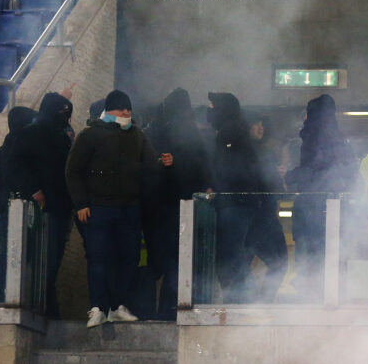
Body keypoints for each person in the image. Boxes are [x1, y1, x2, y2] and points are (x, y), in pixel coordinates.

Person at [65, 90, 173, 328]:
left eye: (128, 109)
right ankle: (98, 307)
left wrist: (161, 163)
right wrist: (81, 204)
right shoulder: (90, 135)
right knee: (99, 258)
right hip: (98, 208)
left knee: (128, 258)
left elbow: (149, 165)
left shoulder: (137, 136)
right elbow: (73, 171)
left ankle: (118, 306)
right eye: (121, 108)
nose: (126, 113)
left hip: (129, 208)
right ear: (109, 110)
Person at [6, 93, 75, 319]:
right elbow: (15, 167)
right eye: (62, 112)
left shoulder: (63, 138)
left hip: (61, 209)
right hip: (40, 212)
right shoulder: (30, 134)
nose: (65, 117)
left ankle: (47, 307)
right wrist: (34, 190)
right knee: (43, 263)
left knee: (52, 264)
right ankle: (43, 308)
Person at [143, 88, 210, 320]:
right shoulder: (195, 136)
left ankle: (149, 310)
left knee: (157, 263)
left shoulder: (157, 132)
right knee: (178, 262)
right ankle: (171, 310)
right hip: (186, 207)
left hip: (159, 208)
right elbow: (202, 169)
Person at [285, 94, 358, 299]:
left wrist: (289, 177)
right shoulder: (340, 139)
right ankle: (334, 297)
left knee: (310, 256)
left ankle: (311, 298)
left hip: (312, 208)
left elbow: (313, 170)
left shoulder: (313, 137)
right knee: (332, 255)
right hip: (336, 208)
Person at [207, 92, 263, 303]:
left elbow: (230, 169)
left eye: (212, 106)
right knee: (235, 255)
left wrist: (215, 186)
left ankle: (239, 303)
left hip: (234, 204)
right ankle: (241, 302)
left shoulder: (230, 133)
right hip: (239, 203)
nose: (209, 111)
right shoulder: (237, 131)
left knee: (230, 256)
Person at [0, 106, 36, 302]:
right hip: (12, 213)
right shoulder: (21, 153)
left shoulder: (0, 152)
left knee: (9, 256)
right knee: (13, 258)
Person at [244, 114, 289, 303]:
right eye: (256, 123)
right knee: (279, 262)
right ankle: (259, 301)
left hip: (262, 216)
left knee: (243, 265)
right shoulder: (248, 152)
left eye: (262, 124)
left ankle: (255, 301)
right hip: (258, 218)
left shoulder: (263, 151)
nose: (260, 127)